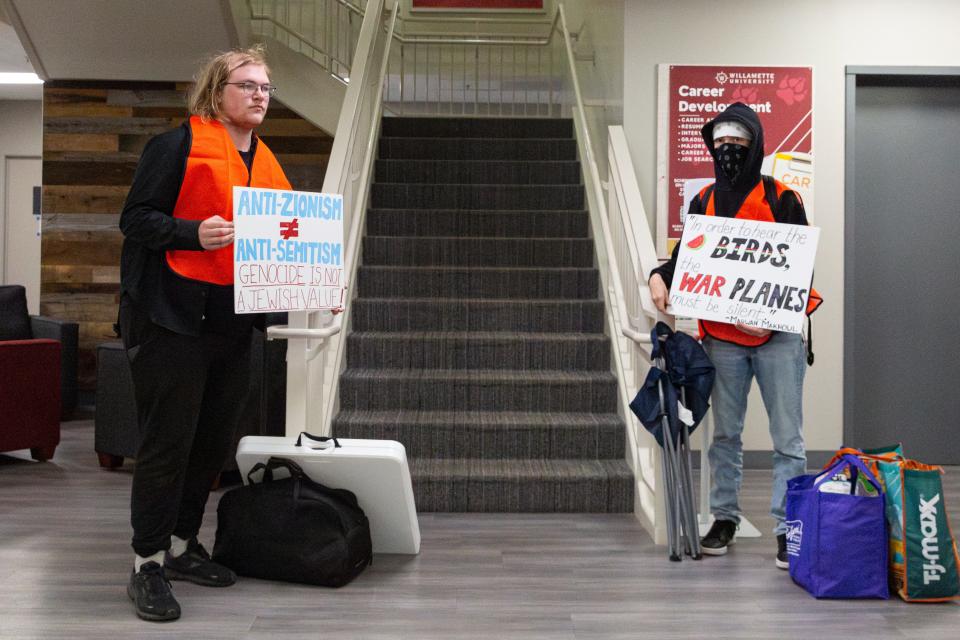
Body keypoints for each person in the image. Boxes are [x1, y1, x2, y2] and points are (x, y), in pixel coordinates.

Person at [118, 44, 291, 621]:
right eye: (247, 85)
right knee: (167, 443)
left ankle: (182, 545)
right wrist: (194, 233)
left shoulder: (267, 162)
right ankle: (146, 563)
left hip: (233, 323)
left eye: (265, 87)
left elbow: (285, 247)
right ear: (217, 93)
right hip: (172, 318)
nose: (260, 95)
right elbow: (136, 219)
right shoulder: (174, 147)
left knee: (211, 444)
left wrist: (316, 291)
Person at [648, 102, 821, 569]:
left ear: (755, 145)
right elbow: (686, 258)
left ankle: (789, 529)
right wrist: (657, 275)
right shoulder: (703, 201)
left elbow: (799, 270)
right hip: (722, 339)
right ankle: (724, 519)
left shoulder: (782, 196)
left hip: (779, 337)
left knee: (789, 439)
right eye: (720, 143)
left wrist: (767, 317)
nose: (728, 151)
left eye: (738, 144)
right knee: (725, 434)